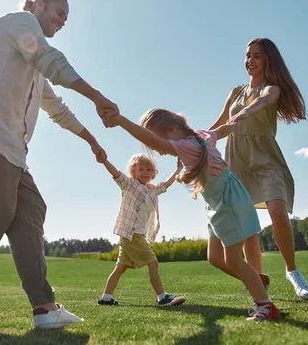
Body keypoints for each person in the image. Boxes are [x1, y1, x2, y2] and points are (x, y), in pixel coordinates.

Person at [0, 0, 120, 329]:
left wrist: (91, 140)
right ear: (37, 5)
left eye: (67, 17)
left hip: (11, 149)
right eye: (59, 11)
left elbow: (57, 108)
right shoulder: (18, 23)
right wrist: (97, 95)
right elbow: (49, 59)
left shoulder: (34, 66)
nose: (62, 20)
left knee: (31, 208)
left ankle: (45, 309)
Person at [103, 108, 281, 321]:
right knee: (214, 258)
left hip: (227, 201)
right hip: (217, 201)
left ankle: (265, 305)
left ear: (171, 129)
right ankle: (256, 281)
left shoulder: (187, 145)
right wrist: (237, 121)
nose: (157, 150)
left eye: (155, 141)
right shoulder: (199, 136)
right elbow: (223, 130)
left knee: (233, 260)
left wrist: (120, 119)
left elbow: (156, 141)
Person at [209, 38, 308, 299]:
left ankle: (292, 271)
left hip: (266, 161)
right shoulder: (235, 92)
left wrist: (245, 112)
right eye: (247, 56)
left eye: (256, 56)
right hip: (237, 164)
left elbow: (263, 102)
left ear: (268, 60)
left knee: (278, 212)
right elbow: (220, 124)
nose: (250, 61)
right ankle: (258, 283)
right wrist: (196, 141)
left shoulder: (272, 89)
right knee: (248, 229)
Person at [97, 153, 185, 307]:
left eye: (149, 170)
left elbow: (166, 184)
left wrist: (178, 169)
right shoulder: (129, 184)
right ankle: (162, 297)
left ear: (153, 173)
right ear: (133, 172)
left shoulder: (152, 190)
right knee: (153, 262)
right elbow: (116, 173)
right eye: (141, 169)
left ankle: (105, 298)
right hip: (132, 234)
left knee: (120, 268)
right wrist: (105, 161)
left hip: (132, 235)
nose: (145, 172)